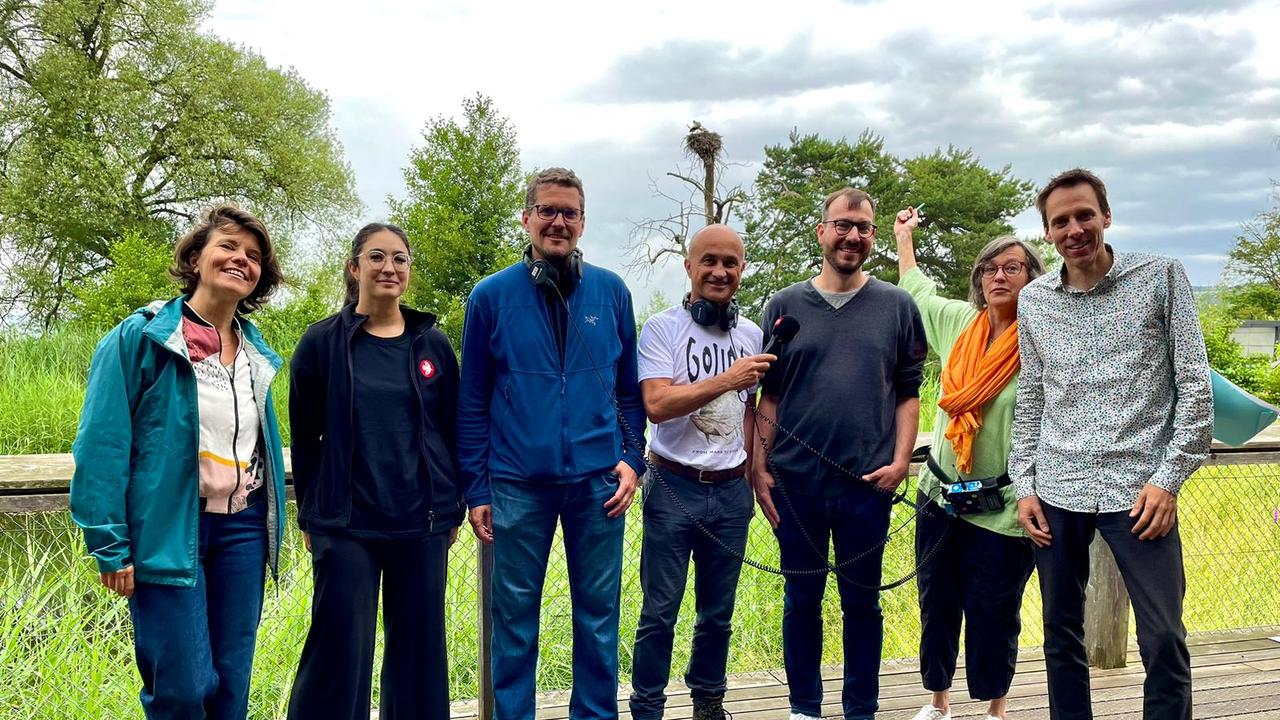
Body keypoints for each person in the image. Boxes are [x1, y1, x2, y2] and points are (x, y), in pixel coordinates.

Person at [70, 204, 288, 720]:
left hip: (243, 531)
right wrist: (110, 542)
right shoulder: (141, 337)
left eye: (254, 256)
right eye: (229, 247)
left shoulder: (256, 353)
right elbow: (102, 444)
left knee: (232, 682)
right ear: (195, 257)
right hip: (169, 531)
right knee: (184, 686)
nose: (242, 260)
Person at [1009, 168, 1212, 720]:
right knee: (1060, 635)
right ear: (1047, 233)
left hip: (1140, 491)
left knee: (1164, 637)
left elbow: (1195, 389)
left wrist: (1168, 481)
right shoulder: (1036, 301)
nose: (1074, 229)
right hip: (1058, 487)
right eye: (1060, 221)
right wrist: (1023, 486)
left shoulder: (1161, 277)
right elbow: (1032, 399)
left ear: (1106, 216)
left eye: (1084, 215)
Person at [458, 167, 647, 720]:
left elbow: (629, 392)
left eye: (569, 212)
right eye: (548, 210)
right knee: (513, 619)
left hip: (598, 485)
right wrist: (477, 486)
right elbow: (472, 402)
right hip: (516, 484)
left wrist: (632, 459)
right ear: (528, 218)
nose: (558, 221)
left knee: (598, 617)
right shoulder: (490, 296)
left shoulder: (612, 292)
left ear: (583, 222)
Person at [753, 188, 927, 720]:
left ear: (873, 236)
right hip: (794, 484)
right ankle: (804, 708)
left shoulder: (898, 307)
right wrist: (758, 467)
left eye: (864, 228)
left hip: (868, 485)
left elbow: (908, 392)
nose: (853, 236)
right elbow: (769, 395)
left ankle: (862, 710)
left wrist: (900, 464)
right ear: (822, 231)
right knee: (800, 601)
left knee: (862, 604)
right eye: (842, 225)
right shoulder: (783, 306)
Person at [286, 223, 463, 720]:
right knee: (338, 649)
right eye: (377, 257)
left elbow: (451, 431)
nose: (390, 267)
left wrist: (451, 508)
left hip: (421, 522)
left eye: (400, 259)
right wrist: (309, 515)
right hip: (346, 526)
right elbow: (305, 439)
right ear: (355, 267)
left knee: (419, 654)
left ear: (408, 272)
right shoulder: (321, 344)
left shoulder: (433, 346)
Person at [894, 207, 1044, 720]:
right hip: (941, 496)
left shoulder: (1045, 340)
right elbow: (917, 289)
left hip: (1004, 506)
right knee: (937, 605)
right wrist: (903, 236)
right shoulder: (961, 324)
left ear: (1032, 278)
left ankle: (995, 709)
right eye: (989, 269)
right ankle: (938, 702)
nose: (998, 276)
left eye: (1012, 267)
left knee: (994, 612)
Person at [629, 224, 772, 720]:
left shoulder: (752, 333)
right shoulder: (662, 329)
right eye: (708, 260)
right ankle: (647, 707)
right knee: (659, 615)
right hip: (672, 487)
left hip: (731, 493)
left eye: (730, 262)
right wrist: (729, 378)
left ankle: (708, 702)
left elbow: (752, 411)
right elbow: (657, 404)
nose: (719, 271)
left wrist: (755, 472)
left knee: (718, 616)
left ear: (741, 270)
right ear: (689, 267)